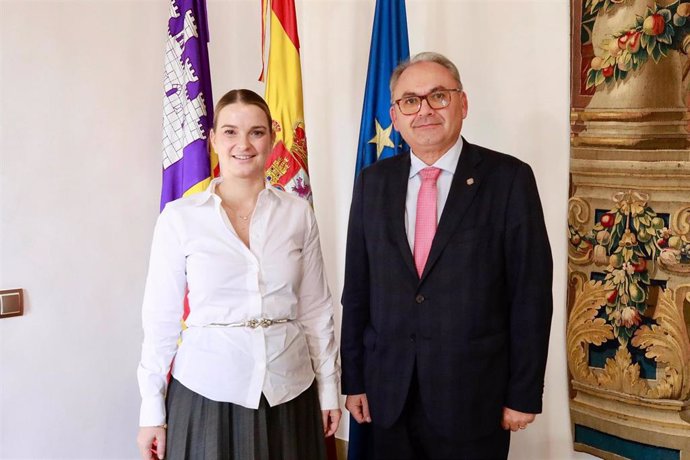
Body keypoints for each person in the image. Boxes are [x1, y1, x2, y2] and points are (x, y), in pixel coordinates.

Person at [341, 52, 553, 459]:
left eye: (438, 96)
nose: (424, 110)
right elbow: (358, 290)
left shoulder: (508, 180)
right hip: (389, 395)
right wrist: (355, 379)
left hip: (474, 398)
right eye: (410, 101)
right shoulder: (372, 184)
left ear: (463, 103)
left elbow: (530, 295)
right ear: (395, 115)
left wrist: (524, 392)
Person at [136, 89, 341, 460]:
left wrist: (329, 389)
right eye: (230, 132)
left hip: (289, 390)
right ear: (213, 139)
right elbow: (160, 320)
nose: (243, 144)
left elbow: (316, 310)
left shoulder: (297, 214)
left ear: (272, 138)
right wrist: (151, 410)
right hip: (208, 390)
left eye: (256, 132)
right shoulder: (180, 218)